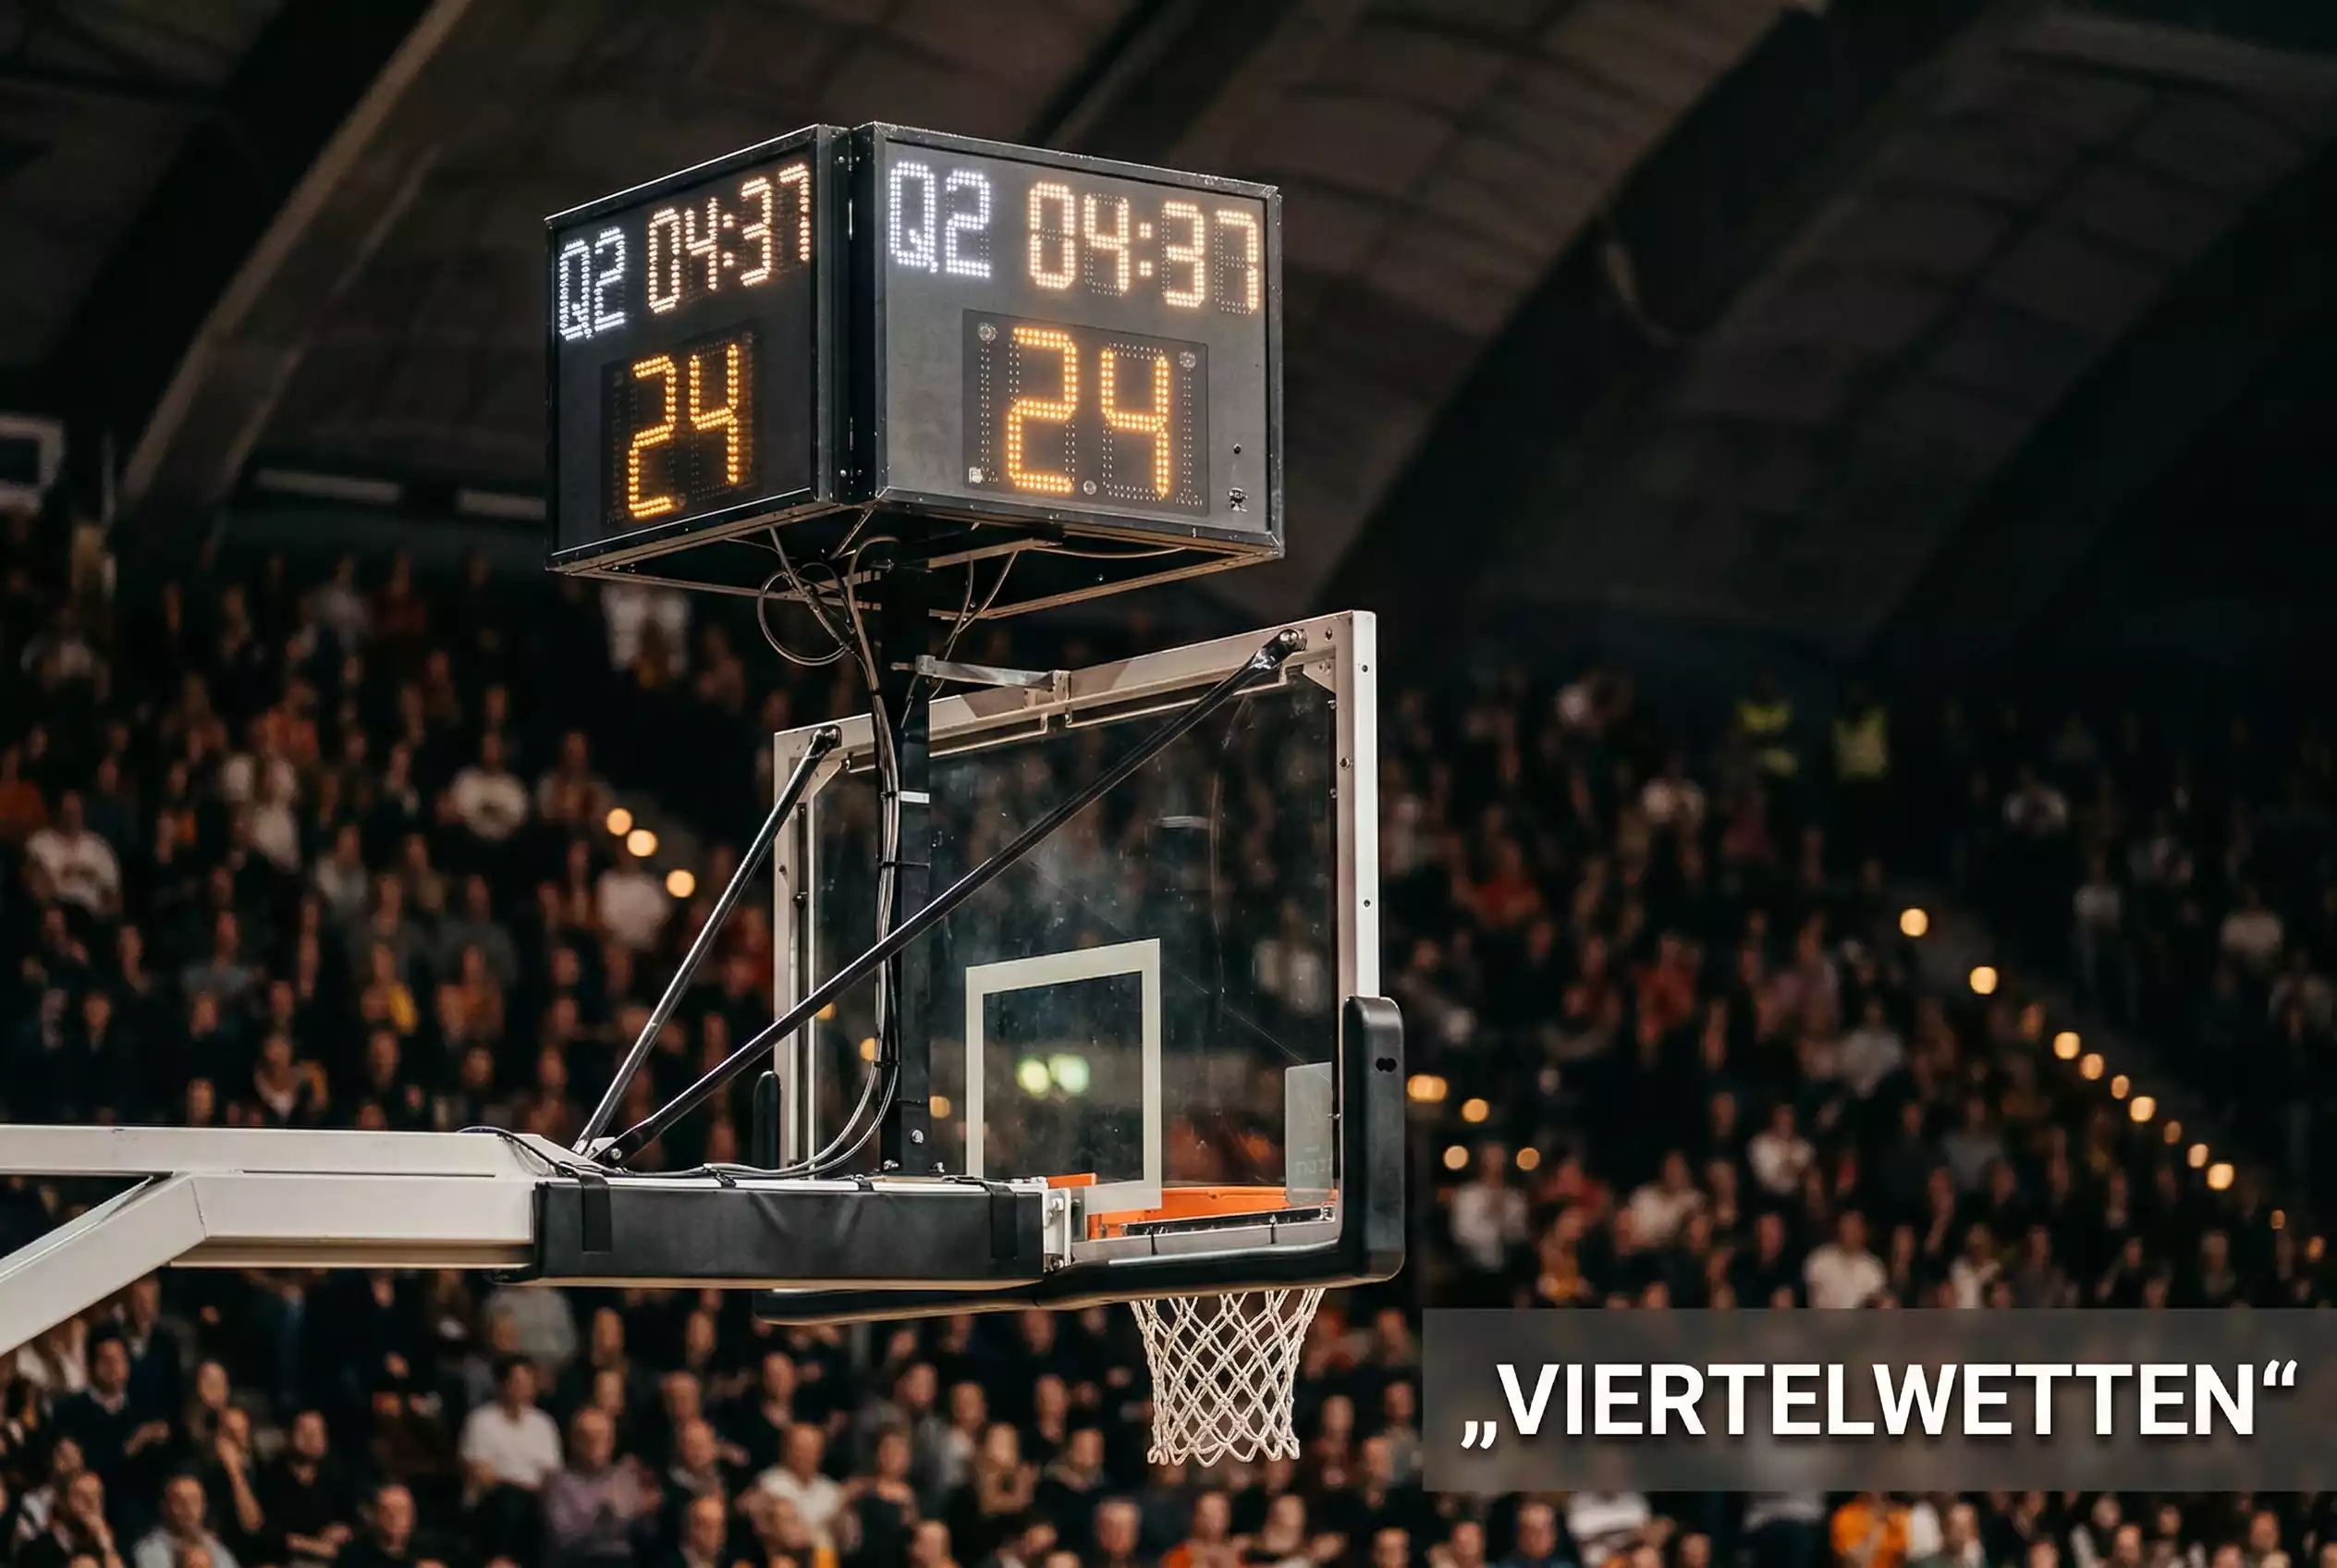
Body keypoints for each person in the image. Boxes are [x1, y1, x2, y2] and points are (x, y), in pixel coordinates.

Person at [543, 1407, 654, 1568]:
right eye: (587, 1438)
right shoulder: (559, 1483)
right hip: (581, 1562)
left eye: (602, 1437)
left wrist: (645, 1513)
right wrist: (606, 1518)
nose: (594, 1444)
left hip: (627, 1559)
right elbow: (562, 1537)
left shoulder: (624, 1477)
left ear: (612, 1441)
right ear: (573, 1441)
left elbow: (640, 1532)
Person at [132, 1475, 241, 1568]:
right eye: (180, 1502)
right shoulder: (150, 1550)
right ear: (164, 1507)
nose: (188, 1509)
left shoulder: (215, 1547)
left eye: (194, 1501)